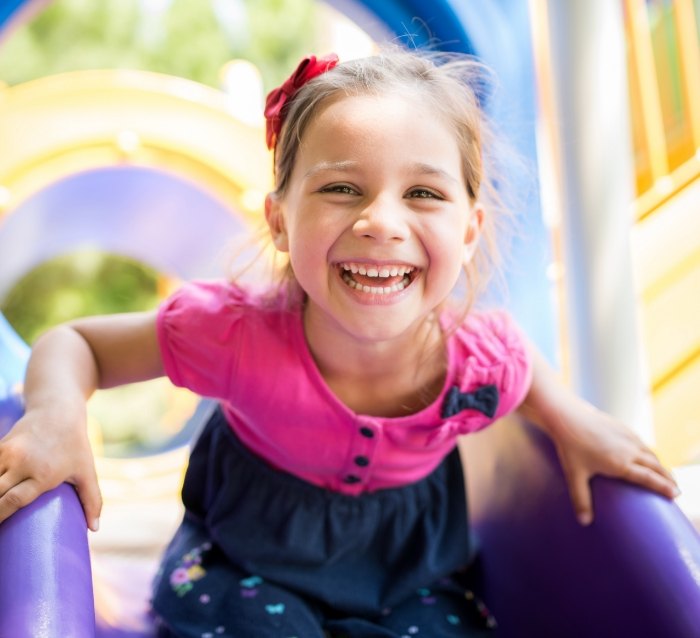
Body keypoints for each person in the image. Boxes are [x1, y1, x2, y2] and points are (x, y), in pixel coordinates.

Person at [0, 47, 679, 637]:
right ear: (280, 221)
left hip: (412, 578)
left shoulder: (477, 359)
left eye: (422, 193)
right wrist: (56, 418)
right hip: (243, 564)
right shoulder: (234, 333)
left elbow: (523, 368)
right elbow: (76, 342)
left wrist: (573, 418)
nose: (380, 221)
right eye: (342, 188)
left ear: (469, 230)